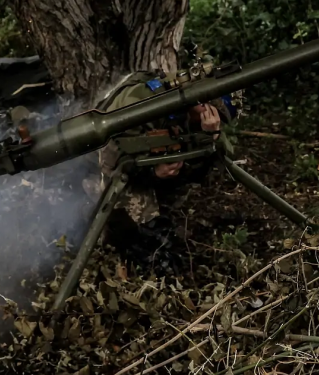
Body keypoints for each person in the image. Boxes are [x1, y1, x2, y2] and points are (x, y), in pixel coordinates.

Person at [81, 70, 239, 266]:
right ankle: (99, 225)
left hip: (133, 168)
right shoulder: (143, 104)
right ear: (201, 102)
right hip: (100, 170)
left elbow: (197, 174)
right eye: (215, 114)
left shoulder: (188, 115)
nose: (214, 121)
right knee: (146, 243)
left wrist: (208, 138)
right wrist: (152, 172)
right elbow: (111, 162)